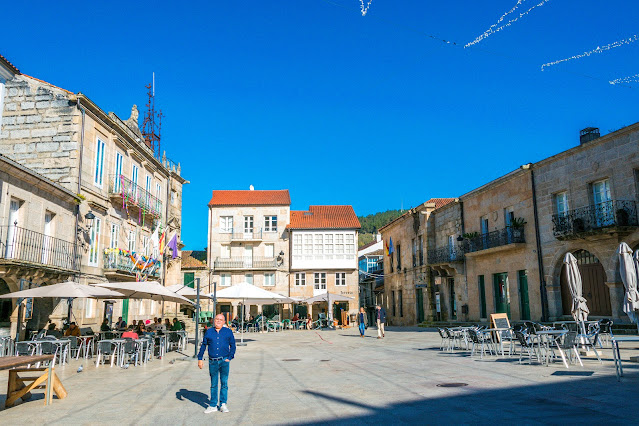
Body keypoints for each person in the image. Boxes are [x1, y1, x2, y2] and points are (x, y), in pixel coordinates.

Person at [198, 314, 236, 414]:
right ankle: (213, 405)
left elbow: (233, 345)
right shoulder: (209, 331)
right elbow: (203, 345)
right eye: (217, 319)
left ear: (224, 322)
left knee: (224, 383)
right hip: (212, 361)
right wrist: (200, 358)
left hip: (224, 361)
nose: (218, 321)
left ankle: (223, 404)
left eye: (221, 320)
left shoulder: (228, 332)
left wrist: (230, 357)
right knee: (214, 384)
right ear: (214, 321)